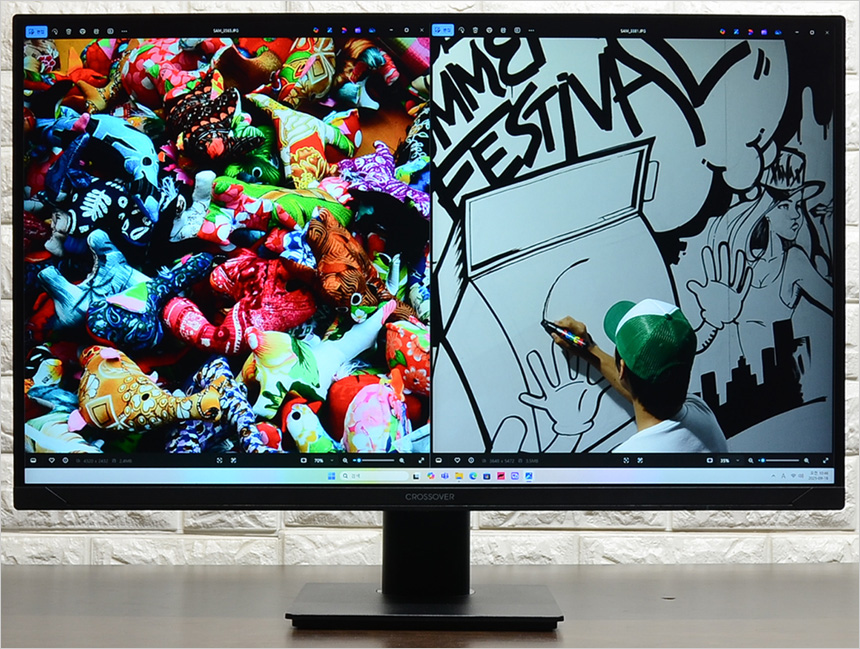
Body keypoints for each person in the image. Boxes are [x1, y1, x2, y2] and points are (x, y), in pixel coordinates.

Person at [551, 299, 727, 453]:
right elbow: (651, 396)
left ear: (622, 369)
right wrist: (590, 350)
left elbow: (645, 392)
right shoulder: (702, 414)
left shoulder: (624, 465)